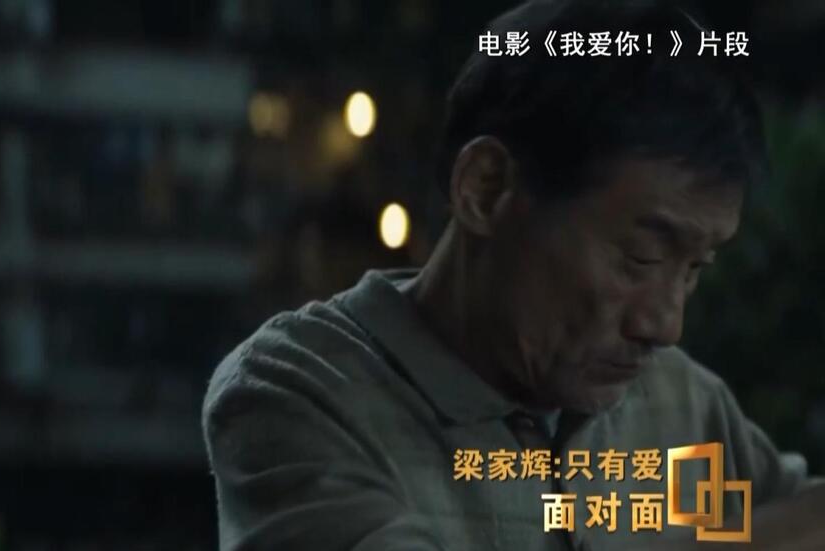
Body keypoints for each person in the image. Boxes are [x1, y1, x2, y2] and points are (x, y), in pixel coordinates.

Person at [201, 1, 824, 549]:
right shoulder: (303, 395)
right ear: (487, 189)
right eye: (640, 257)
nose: (665, 325)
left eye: (693, 270)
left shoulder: (680, 405)